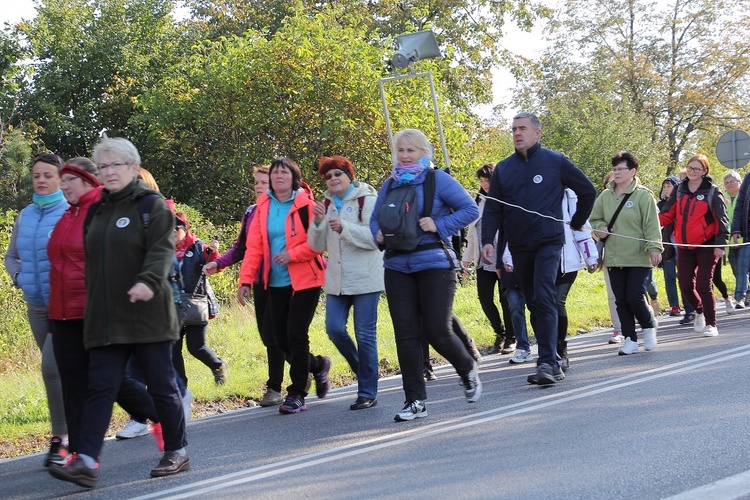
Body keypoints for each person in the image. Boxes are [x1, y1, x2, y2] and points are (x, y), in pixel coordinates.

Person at [49, 138, 188, 488]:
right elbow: (92, 265)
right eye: (104, 166)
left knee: (160, 386)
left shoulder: (152, 206)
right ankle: (85, 461)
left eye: (116, 165)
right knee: (100, 387)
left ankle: (177, 450)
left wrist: (146, 281)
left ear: (131, 167)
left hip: (149, 315)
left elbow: (161, 251)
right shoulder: (96, 210)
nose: (109, 171)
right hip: (107, 320)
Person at [370, 128, 481, 422]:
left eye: (411, 151)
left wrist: (439, 224)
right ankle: (415, 401)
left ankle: (466, 367)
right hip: (396, 266)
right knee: (406, 335)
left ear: (424, 152)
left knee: (437, 330)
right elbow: (374, 217)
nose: (405, 156)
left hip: (434, 263)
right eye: (400, 151)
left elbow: (470, 209)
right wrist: (377, 235)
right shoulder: (390, 183)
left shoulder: (437, 179)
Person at [481, 112, 596, 384]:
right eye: (513, 129)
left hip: (549, 242)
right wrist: (488, 240)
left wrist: (577, 222)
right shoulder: (504, 169)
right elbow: (494, 208)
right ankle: (552, 357)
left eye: (522, 129)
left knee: (545, 298)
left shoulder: (555, 162)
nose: (517, 133)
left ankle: (547, 362)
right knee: (533, 302)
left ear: (537, 133)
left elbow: (588, 191)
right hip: (519, 245)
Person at [237, 157, 330, 415]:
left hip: (305, 280)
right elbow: (253, 247)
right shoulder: (263, 207)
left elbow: (318, 244)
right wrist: (245, 280)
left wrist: (292, 255)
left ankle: (297, 393)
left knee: (295, 335)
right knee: (278, 339)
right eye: (275, 173)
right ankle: (318, 365)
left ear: (294, 178)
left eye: (284, 173)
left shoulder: (306, 206)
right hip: (274, 281)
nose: (278, 176)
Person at [4, 153, 69, 466]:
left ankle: (62, 438)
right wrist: (20, 278)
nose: (41, 180)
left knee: (52, 368)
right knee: (65, 371)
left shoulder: (70, 211)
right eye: (36, 176)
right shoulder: (25, 215)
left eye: (48, 175)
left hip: (65, 306)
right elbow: (11, 257)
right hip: (36, 306)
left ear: (60, 178)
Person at [204, 165, 287, 407]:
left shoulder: (283, 209)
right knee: (267, 335)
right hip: (261, 281)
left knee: (279, 335)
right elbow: (241, 249)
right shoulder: (251, 212)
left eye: (264, 182)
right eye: (257, 182)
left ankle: (275, 387)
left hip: (285, 280)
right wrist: (217, 264)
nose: (259, 186)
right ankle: (312, 365)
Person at [308, 155, 383, 410]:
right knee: (334, 329)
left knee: (365, 335)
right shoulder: (326, 204)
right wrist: (317, 222)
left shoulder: (367, 200)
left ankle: (367, 391)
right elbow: (316, 247)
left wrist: (344, 228)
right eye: (328, 176)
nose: (333, 179)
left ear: (349, 175)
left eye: (337, 174)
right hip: (337, 281)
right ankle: (365, 372)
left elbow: (376, 239)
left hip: (365, 279)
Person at [590, 152, 662, 355]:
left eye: (620, 169)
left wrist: (655, 248)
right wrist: (600, 228)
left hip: (638, 256)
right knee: (620, 299)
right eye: (614, 169)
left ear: (633, 172)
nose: (616, 173)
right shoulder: (605, 196)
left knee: (635, 296)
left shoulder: (643, 195)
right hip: (614, 256)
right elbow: (594, 220)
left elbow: (651, 225)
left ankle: (648, 327)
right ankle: (630, 338)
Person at [659, 154, 729, 337]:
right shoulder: (679, 190)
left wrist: (721, 245)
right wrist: (649, 221)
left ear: (705, 171)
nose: (692, 172)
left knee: (704, 285)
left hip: (707, 245)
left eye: (697, 169)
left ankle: (711, 324)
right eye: (690, 168)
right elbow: (667, 215)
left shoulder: (712, 191)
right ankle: (699, 311)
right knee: (684, 285)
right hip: (684, 246)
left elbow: (722, 220)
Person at [462, 164, 513, 355]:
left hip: (502, 258)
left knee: (505, 298)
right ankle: (499, 332)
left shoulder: (505, 200)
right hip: (483, 260)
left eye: (487, 180)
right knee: (484, 298)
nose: (484, 184)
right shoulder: (479, 202)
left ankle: (511, 337)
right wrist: (467, 259)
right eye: (481, 181)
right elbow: (472, 234)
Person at [172, 211, 226, 387]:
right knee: (173, 350)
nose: (171, 232)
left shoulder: (198, 247)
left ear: (185, 229)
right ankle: (181, 388)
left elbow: (216, 267)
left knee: (196, 347)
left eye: (176, 228)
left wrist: (215, 254)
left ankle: (217, 366)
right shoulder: (162, 249)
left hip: (196, 304)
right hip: (172, 306)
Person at [657, 176, 682, 317]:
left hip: (681, 243)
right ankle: (674, 305)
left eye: (669, 186)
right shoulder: (659, 205)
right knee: (669, 276)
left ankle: (690, 306)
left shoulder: (681, 203)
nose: (666, 189)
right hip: (666, 245)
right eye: (664, 186)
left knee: (684, 276)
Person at [731, 169, 750, 308]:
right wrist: (736, 229)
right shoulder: (748, 177)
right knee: (742, 265)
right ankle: (739, 298)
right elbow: (739, 205)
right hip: (748, 234)